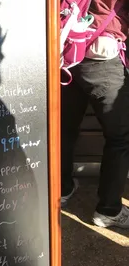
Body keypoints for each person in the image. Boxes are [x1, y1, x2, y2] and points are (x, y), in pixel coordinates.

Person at [61, 0, 129, 229]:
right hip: (103, 56)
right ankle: (109, 210)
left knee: (64, 129)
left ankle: (61, 189)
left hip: (67, 51)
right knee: (120, 137)